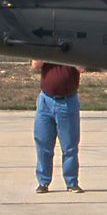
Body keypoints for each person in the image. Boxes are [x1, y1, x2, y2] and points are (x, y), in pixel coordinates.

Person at [31, 59, 84, 193]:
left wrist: (68, 54)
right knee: (43, 144)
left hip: (67, 102)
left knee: (69, 146)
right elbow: (35, 65)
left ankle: (71, 182)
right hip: (45, 101)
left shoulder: (72, 46)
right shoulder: (45, 46)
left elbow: (82, 68)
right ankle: (43, 182)